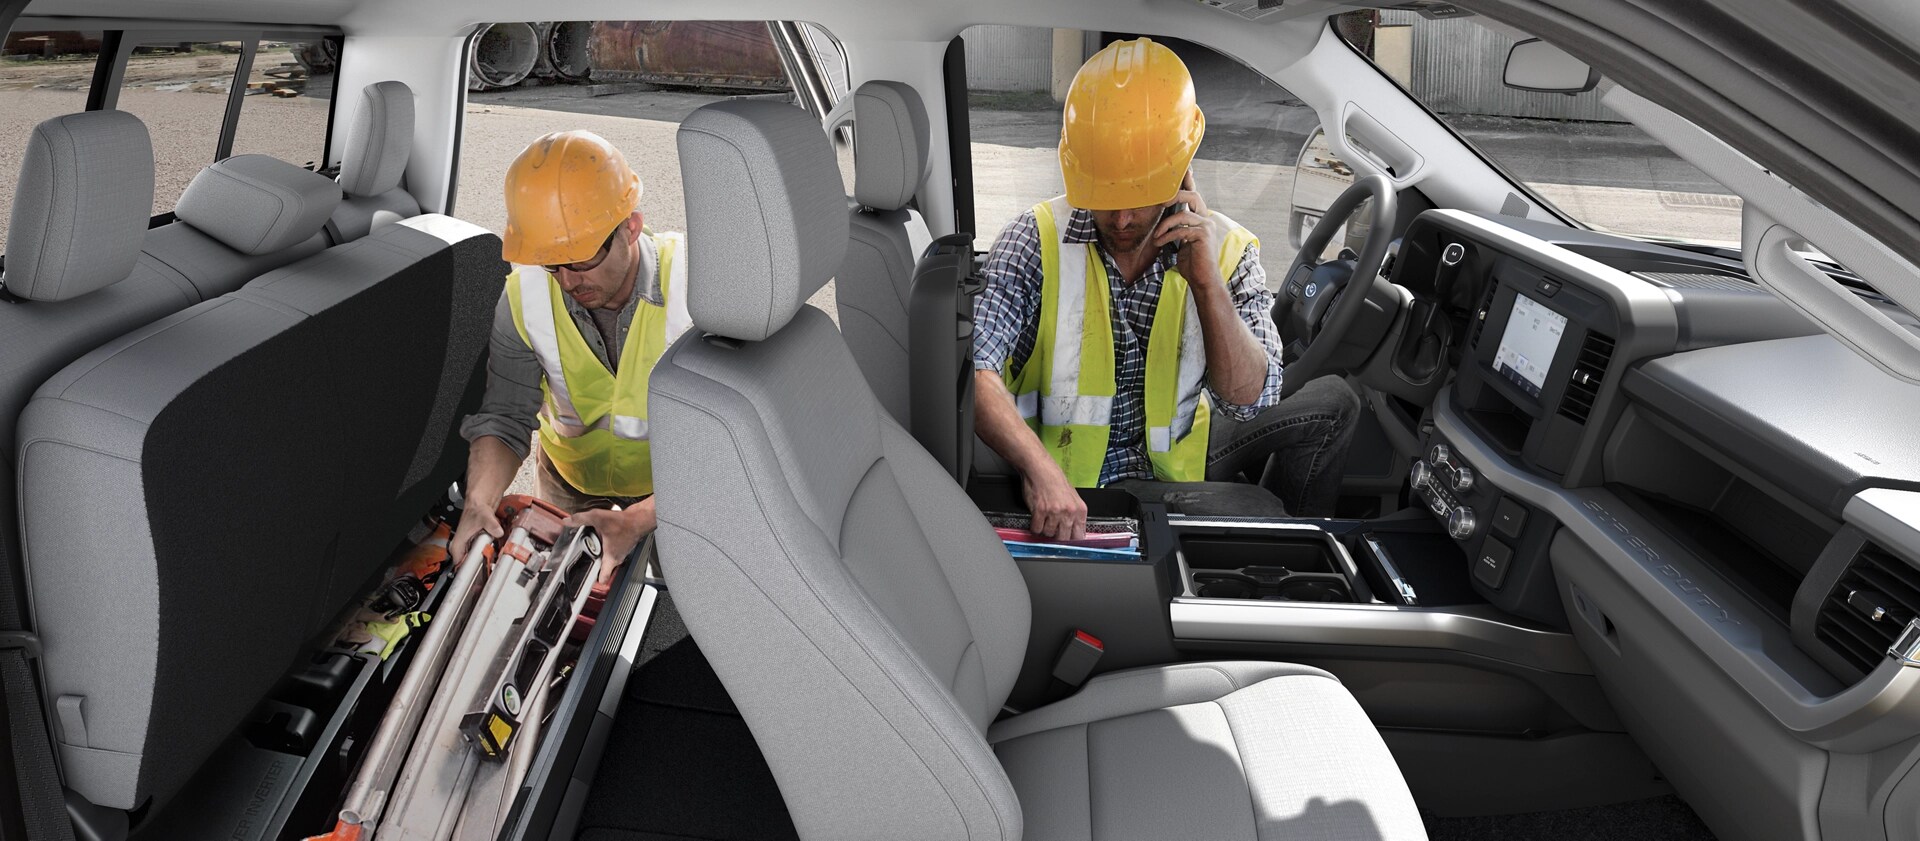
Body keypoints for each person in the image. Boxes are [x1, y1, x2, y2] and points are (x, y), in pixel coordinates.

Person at [972, 37, 1360, 541]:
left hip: (1178, 454)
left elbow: (1249, 401)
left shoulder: (1226, 251)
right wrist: (1039, 470)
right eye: (1106, 197)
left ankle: (1292, 566)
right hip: (1081, 480)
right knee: (1261, 510)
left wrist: (1205, 282)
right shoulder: (1034, 241)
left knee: (1336, 402)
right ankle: (1274, 544)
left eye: (1140, 194)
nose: (1124, 218)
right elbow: (976, 370)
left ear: (1180, 171)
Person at [451, 130, 691, 576]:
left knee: (671, 600)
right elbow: (505, 416)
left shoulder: (697, 289)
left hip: (674, 489)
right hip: (569, 482)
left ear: (631, 227)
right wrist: (479, 502)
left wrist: (637, 519)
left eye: (580, 260)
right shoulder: (524, 298)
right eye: (550, 262)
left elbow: (728, 449)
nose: (566, 282)